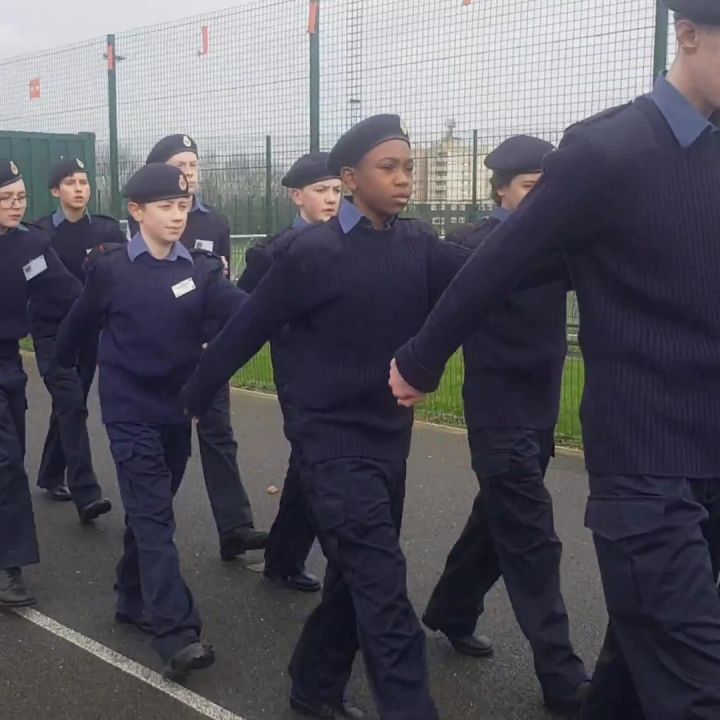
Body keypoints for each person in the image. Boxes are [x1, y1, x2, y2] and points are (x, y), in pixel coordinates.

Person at [389, 3, 720, 718]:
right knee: (697, 691)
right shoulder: (606, 152)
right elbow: (498, 263)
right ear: (689, 33)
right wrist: (420, 359)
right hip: (643, 464)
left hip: (706, 456)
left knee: (635, 680)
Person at [183, 115, 469, 720]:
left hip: (389, 438)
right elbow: (246, 329)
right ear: (350, 178)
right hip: (328, 443)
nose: (404, 179)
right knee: (384, 591)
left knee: (355, 577)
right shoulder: (310, 253)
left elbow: (482, 280)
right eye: (388, 168)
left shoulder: (418, 245)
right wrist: (190, 398)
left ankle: (314, 683)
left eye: (409, 168)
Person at [55, 163, 246, 680]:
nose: (177, 215)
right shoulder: (112, 270)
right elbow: (77, 324)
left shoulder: (202, 271)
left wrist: (296, 311)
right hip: (129, 411)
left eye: (183, 205)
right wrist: (61, 370)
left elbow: (246, 313)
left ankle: (131, 593)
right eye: (165, 206)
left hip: (176, 410)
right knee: (157, 517)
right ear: (137, 212)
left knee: (151, 512)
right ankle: (176, 633)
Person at [421, 135, 588, 715]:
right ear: (500, 190)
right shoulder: (469, 248)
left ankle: (451, 608)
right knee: (532, 538)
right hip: (497, 417)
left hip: (540, 414)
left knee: (497, 521)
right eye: (530, 188)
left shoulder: (559, 245)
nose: (541, 199)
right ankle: (562, 677)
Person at [130, 134, 268, 561]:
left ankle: (235, 528)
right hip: (161, 353)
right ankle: (146, 530)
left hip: (207, 350)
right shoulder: (149, 219)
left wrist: (220, 336)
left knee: (218, 433)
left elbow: (223, 287)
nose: (189, 173)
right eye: (180, 165)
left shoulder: (215, 222)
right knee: (163, 443)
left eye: (193, 164)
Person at [238, 152, 342, 593]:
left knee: (309, 465)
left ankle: (283, 558)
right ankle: (349, 567)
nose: (331, 198)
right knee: (320, 462)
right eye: (321, 190)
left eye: (337, 190)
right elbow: (241, 308)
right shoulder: (273, 253)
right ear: (297, 196)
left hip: (346, 371)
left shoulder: (354, 241)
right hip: (299, 372)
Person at [0, 159, 84, 606]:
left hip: (8, 365)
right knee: (6, 463)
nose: (16, 206)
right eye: (5, 198)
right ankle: (8, 568)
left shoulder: (31, 245)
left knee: (10, 459)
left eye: (21, 197)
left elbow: (68, 292)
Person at [31, 157, 124, 508]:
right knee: (71, 403)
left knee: (70, 405)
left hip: (88, 333)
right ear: (56, 191)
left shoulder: (106, 231)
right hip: (51, 332)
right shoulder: (39, 234)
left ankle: (50, 475)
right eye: (70, 183)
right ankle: (86, 493)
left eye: (83, 182)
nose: (79, 189)